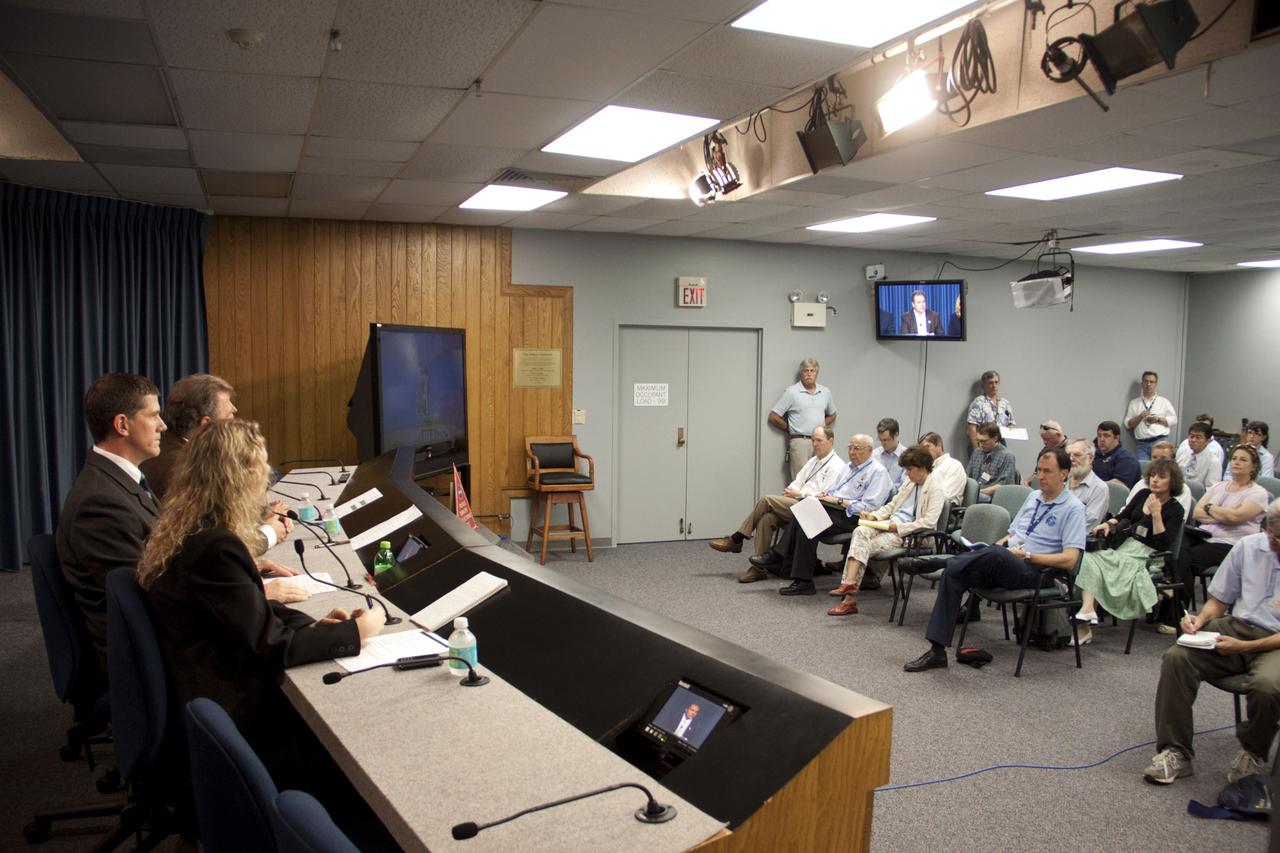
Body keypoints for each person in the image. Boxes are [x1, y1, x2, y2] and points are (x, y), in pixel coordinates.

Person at [138, 419, 385, 788]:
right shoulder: (215, 546)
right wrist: (356, 630)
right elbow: (269, 646)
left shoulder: (190, 528)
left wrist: (312, 627)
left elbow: (245, 612)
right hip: (239, 709)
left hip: (201, 681)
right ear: (240, 478)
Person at [903, 447, 1086, 672]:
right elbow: (1011, 535)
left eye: (1048, 471)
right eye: (1038, 470)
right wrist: (998, 546)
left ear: (1064, 474)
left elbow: (1070, 560)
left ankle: (942, 561)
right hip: (1008, 562)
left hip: (1039, 572)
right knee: (956, 573)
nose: (1041, 476)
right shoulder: (1033, 497)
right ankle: (937, 651)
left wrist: (1026, 555)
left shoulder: (1073, 508)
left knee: (996, 554)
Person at [1143, 498, 1280, 786]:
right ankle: (1176, 751)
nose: (1274, 544)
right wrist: (1200, 619)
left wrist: (1244, 648)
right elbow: (1218, 600)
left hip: (1275, 641)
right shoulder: (1249, 546)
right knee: (1177, 658)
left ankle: (1252, 751)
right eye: (1272, 535)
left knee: (1266, 686)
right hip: (1239, 626)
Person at [142, 372, 302, 599]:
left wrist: (261, 516)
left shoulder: (176, 451)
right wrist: (269, 533)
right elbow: (207, 546)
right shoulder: (183, 467)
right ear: (206, 425)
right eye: (229, 414)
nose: (236, 412)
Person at [56, 372, 165, 672]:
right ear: (122, 425)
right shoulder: (100, 502)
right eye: (154, 415)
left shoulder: (121, 480)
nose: (162, 425)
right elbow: (150, 594)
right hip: (141, 656)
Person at [754, 435, 891, 596]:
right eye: (850, 447)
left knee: (808, 518)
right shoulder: (848, 468)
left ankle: (782, 560)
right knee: (805, 515)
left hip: (856, 518)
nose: (852, 452)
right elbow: (834, 491)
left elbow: (869, 506)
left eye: (857, 448)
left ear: (869, 450)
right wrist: (827, 495)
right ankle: (799, 577)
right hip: (834, 510)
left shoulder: (878, 472)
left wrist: (839, 501)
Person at [1072, 459, 1186, 645]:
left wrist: (1156, 514)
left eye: (1162, 477)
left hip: (1148, 553)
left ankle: (1084, 625)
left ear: (1172, 482)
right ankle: (1087, 610)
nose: (1155, 479)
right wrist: (1108, 523)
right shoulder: (1143, 494)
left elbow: (1163, 544)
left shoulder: (1175, 509)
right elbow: (1122, 517)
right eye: (1153, 475)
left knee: (1102, 565)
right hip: (1125, 545)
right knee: (1088, 558)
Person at [708, 426, 843, 583]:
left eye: (819, 440)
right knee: (767, 518)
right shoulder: (813, 461)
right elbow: (796, 482)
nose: (815, 444)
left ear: (830, 441)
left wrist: (799, 494)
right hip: (797, 503)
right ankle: (758, 569)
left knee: (766, 500)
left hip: (813, 511)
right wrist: (793, 491)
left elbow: (824, 497)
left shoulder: (837, 466)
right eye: (813, 440)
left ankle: (737, 538)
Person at [827, 445, 946, 616]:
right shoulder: (910, 483)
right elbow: (892, 505)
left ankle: (849, 597)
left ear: (922, 468)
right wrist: (874, 517)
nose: (907, 473)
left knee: (862, 546)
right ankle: (850, 585)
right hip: (890, 525)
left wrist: (897, 527)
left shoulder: (935, 487)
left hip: (909, 534)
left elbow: (929, 522)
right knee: (860, 531)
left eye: (910, 469)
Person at [1175, 444, 1269, 606]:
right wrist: (1223, 516)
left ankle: (1174, 614)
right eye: (1234, 459)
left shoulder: (1258, 493)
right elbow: (1197, 512)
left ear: (1254, 467)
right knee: (1174, 551)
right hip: (1204, 535)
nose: (1236, 462)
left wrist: (1210, 508)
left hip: (1231, 543)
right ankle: (1174, 612)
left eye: (1243, 460)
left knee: (1184, 559)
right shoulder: (1219, 486)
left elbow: (1235, 517)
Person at [769, 358, 837, 480]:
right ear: (802, 373)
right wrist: (790, 428)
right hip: (801, 442)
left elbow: (833, 414)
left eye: (812, 371)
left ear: (817, 373)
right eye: (806, 371)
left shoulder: (825, 392)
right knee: (800, 480)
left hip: (821, 441)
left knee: (821, 478)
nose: (809, 374)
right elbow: (774, 417)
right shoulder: (792, 392)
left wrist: (820, 428)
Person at [1128, 441, 1192, 516]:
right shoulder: (1141, 484)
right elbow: (1126, 509)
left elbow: (1179, 521)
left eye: (1163, 458)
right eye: (1154, 457)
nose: (1158, 461)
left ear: (1173, 461)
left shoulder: (1183, 490)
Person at [1124, 370, 1177, 461]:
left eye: (1151, 382)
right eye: (1146, 381)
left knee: (1161, 469)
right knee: (1143, 471)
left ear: (1156, 384)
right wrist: (1140, 417)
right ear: (1142, 384)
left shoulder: (1164, 402)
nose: (1148, 384)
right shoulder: (1134, 403)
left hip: (1160, 441)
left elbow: (1174, 420)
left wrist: (1157, 419)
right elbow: (1127, 424)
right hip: (1142, 444)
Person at [966, 370, 1015, 452]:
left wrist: (1010, 429)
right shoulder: (978, 402)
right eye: (990, 383)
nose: (994, 385)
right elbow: (972, 428)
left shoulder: (1005, 403)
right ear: (983, 385)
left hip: (1000, 442)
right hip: (983, 443)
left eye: (996, 382)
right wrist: (976, 449)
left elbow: (1011, 423)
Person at [1066, 439, 1110, 529]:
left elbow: (1087, 526)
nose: (1071, 459)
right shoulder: (1060, 482)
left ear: (1090, 458)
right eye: (1068, 455)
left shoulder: (1099, 488)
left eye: (1077, 455)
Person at [966, 422, 1018, 499]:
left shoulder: (1007, 456)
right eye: (978, 441)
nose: (980, 444)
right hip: (975, 494)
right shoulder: (977, 452)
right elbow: (967, 477)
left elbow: (1004, 486)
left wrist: (978, 492)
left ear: (995, 438)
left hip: (992, 497)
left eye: (984, 441)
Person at [917, 432, 967, 504]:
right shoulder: (926, 467)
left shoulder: (954, 465)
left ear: (939, 445)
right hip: (924, 505)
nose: (924, 452)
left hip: (943, 509)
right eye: (922, 449)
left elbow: (947, 495)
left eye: (928, 447)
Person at [1093, 421, 1140, 488]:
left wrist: (1093, 487)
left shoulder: (1126, 458)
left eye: (1106, 436)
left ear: (1117, 438)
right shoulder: (1094, 455)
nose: (1102, 439)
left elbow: (1119, 485)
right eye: (1099, 436)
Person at [1176, 414, 1223, 480]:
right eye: (1191, 436)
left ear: (1207, 440)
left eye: (1198, 437)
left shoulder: (1214, 462)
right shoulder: (1182, 451)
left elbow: (1211, 488)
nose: (1193, 440)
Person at [1023, 420, 1068, 485]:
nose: (1044, 442)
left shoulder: (1070, 450)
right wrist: (1027, 481)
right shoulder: (1045, 451)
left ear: (1058, 435)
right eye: (1043, 439)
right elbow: (1036, 473)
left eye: (1047, 439)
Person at [873, 417, 906, 490]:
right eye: (880, 440)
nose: (882, 443)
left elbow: (905, 486)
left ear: (896, 435)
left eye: (886, 440)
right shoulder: (874, 455)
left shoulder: (907, 457)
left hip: (896, 498)